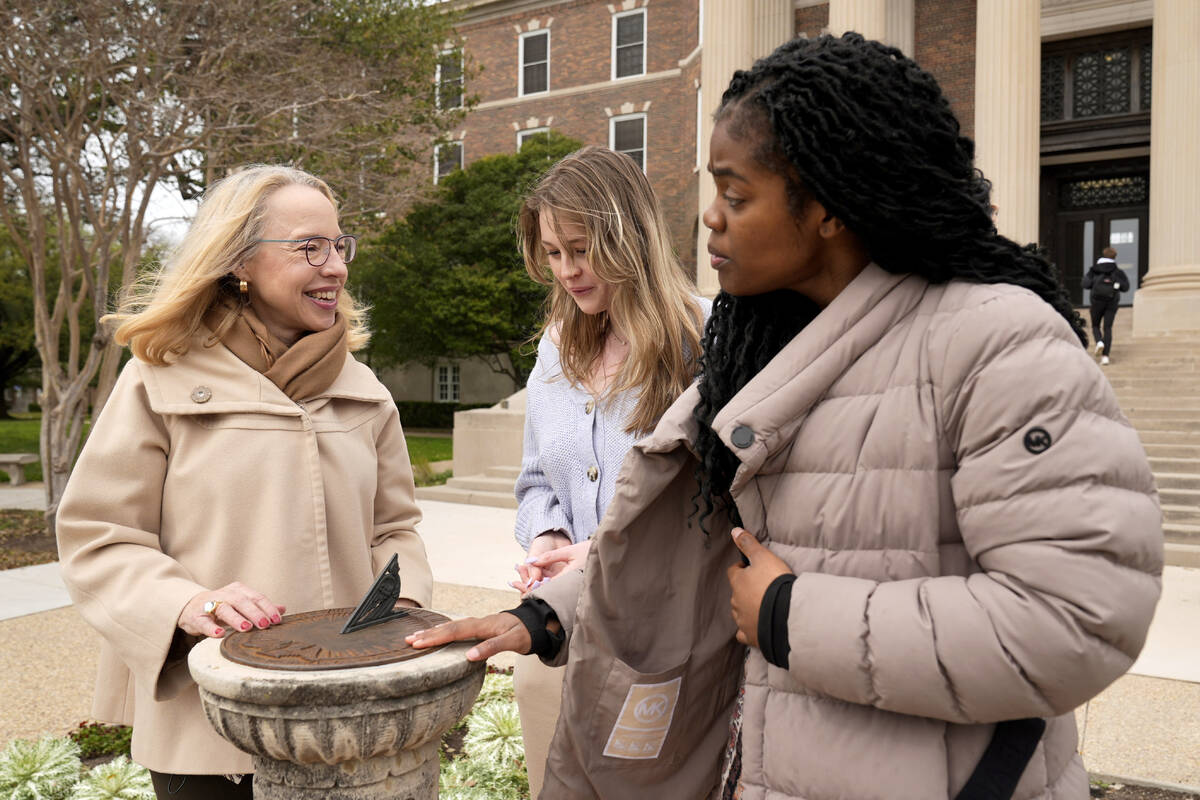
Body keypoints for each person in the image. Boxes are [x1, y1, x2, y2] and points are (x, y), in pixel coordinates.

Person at [409, 34, 1162, 800]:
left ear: (830, 204)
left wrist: (788, 614)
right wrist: (544, 614)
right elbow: (686, 541)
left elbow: (1079, 621)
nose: (708, 220)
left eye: (736, 196)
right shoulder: (756, 348)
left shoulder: (999, 342)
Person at [56, 165, 432, 800]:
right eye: (308, 246)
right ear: (240, 261)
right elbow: (100, 539)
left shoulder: (367, 395)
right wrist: (190, 604)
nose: (335, 266)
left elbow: (395, 529)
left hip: (350, 723)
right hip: (209, 725)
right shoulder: (156, 382)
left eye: (339, 245)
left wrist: (405, 608)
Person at [508, 145, 710, 797]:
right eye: (552, 252)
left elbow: (710, 499)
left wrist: (600, 551)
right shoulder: (555, 347)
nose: (565, 270)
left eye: (580, 248)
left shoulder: (706, 337)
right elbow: (538, 479)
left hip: (662, 642)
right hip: (557, 638)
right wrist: (548, 544)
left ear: (629, 234)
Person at [1083, 246, 1129, 365]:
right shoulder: (1118, 272)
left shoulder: (1094, 270)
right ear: (1114, 257)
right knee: (1107, 328)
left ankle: (1099, 342)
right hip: (1111, 302)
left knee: (1095, 326)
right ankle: (1105, 357)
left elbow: (1085, 284)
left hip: (1096, 301)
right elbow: (1126, 288)